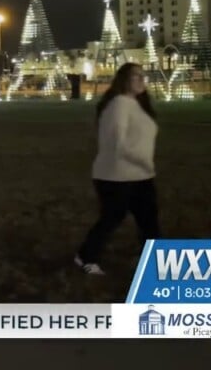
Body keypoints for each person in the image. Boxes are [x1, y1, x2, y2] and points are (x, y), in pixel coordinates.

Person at [74, 62, 159, 275]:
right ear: (123, 80)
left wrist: (144, 165)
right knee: (113, 217)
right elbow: (117, 144)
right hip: (116, 175)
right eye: (135, 76)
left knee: (149, 220)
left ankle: (157, 261)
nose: (141, 79)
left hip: (140, 175)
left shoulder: (136, 104)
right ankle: (85, 257)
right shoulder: (119, 104)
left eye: (143, 76)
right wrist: (143, 161)